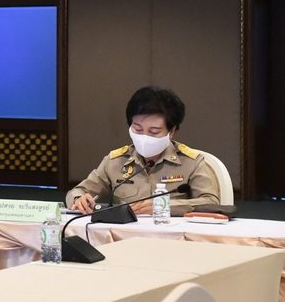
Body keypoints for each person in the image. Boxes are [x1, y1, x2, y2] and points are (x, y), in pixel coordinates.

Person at [67, 86, 221, 215]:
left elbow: (211, 202)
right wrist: (79, 199)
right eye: (138, 129)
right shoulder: (115, 162)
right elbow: (77, 191)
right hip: (125, 237)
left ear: (172, 131)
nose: (144, 137)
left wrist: (164, 206)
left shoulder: (191, 162)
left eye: (154, 132)